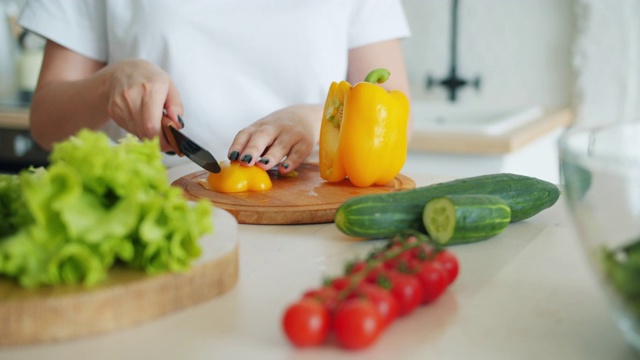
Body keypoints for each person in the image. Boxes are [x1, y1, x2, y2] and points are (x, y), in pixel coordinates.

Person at [18, 0, 412, 174]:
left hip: (311, 217)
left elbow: (395, 114)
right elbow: (46, 122)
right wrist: (110, 84)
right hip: (150, 211)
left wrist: (316, 120)